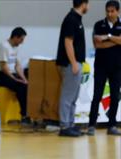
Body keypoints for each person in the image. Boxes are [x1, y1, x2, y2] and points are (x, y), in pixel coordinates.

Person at [56, 0, 90, 137]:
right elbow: (68, 42)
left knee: (73, 97)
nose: (89, 6)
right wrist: (74, 62)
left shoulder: (77, 19)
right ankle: (64, 126)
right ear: (84, 4)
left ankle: (70, 124)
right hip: (71, 64)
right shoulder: (71, 19)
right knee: (67, 96)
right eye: (88, 3)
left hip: (76, 63)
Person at [87, 0, 121, 136]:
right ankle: (91, 125)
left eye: (112, 11)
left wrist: (107, 37)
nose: (109, 13)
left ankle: (111, 124)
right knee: (97, 95)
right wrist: (116, 40)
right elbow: (97, 44)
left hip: (117, 67)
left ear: (118, 11)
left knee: (115, 96)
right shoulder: (98, 24)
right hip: (101, 66)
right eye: (107, 11)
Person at [0, 27, 30, 124]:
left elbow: (18, 66)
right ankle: (24, 115)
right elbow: (3, 66)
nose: (22, 42)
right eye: (21, 39)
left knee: (27, 84)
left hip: (11, 74)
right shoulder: (4, 46)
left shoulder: (15, 48)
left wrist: (24, 78)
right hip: (1, 75)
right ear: (15, 37)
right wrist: (15, 79)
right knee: (21, 86)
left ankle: (28, 113)